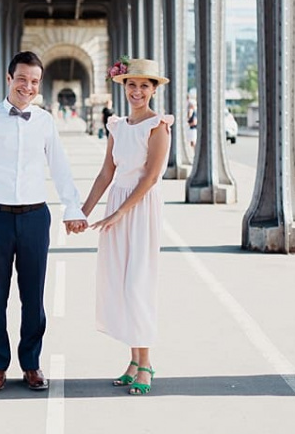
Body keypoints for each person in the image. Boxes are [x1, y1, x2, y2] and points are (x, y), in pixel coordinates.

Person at [0, 51, 88, 393]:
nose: (27, 87)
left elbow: (59, 167)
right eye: (22, 79)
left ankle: (31, 364)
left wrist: (73, 208)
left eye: (34, 81)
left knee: (33, 298)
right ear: (8, 78)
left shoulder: (45, 121)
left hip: (34, 218)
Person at [79, 58, 172, 396]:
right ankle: (133, 361)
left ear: (153, 90)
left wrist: (119, 213)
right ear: (123, 87)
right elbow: (107, 173)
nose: (137, 91)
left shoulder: (158, 125)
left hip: (141, 207)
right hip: (116, 201)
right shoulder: (116, 125)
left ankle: (146, 362)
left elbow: (150, 178)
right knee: (119, 281)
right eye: (132, 84)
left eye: (144, 86)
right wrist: (83, 211)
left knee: (138, 283)